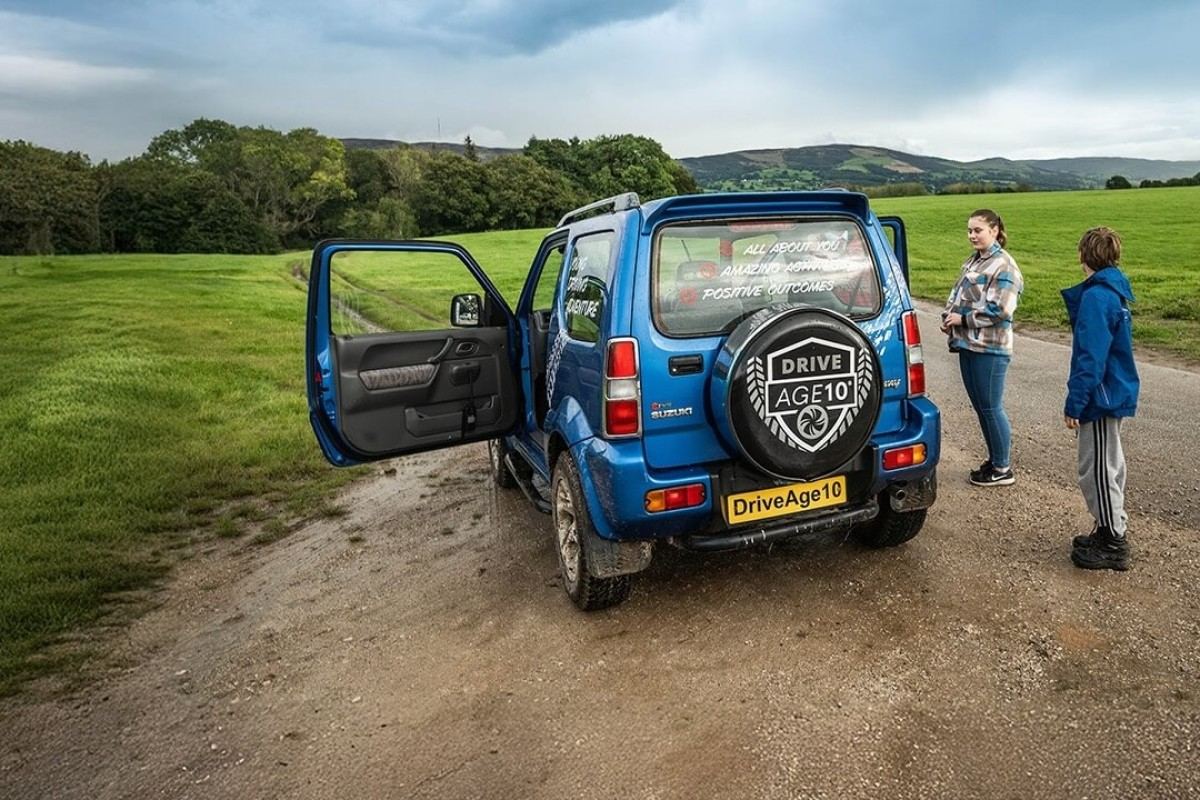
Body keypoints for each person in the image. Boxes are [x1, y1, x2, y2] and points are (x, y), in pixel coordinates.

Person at [1062, 227, 1139, 571]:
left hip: (1100, 397)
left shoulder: (1097, 297)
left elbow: (1090, 359)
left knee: (1097, 470)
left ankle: (1113, 541)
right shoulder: (1111, 290)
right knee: (1107, 464)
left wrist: (1075, 403)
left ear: (1084, 255)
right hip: (1108, 392)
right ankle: (1106, 527)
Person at [941, 209, 1024, 486]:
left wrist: (962, 319)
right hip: (968, 343)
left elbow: (1000, 309)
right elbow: (959, 294)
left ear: (995, 230)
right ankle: (994, 460)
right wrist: (949, 319)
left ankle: (1002, 469)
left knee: (991, 408)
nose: (972, 235)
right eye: (969, 230)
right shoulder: (974, 261)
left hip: (990, 349)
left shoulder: (1004, 266)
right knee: (981, 407)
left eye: (978, 230)